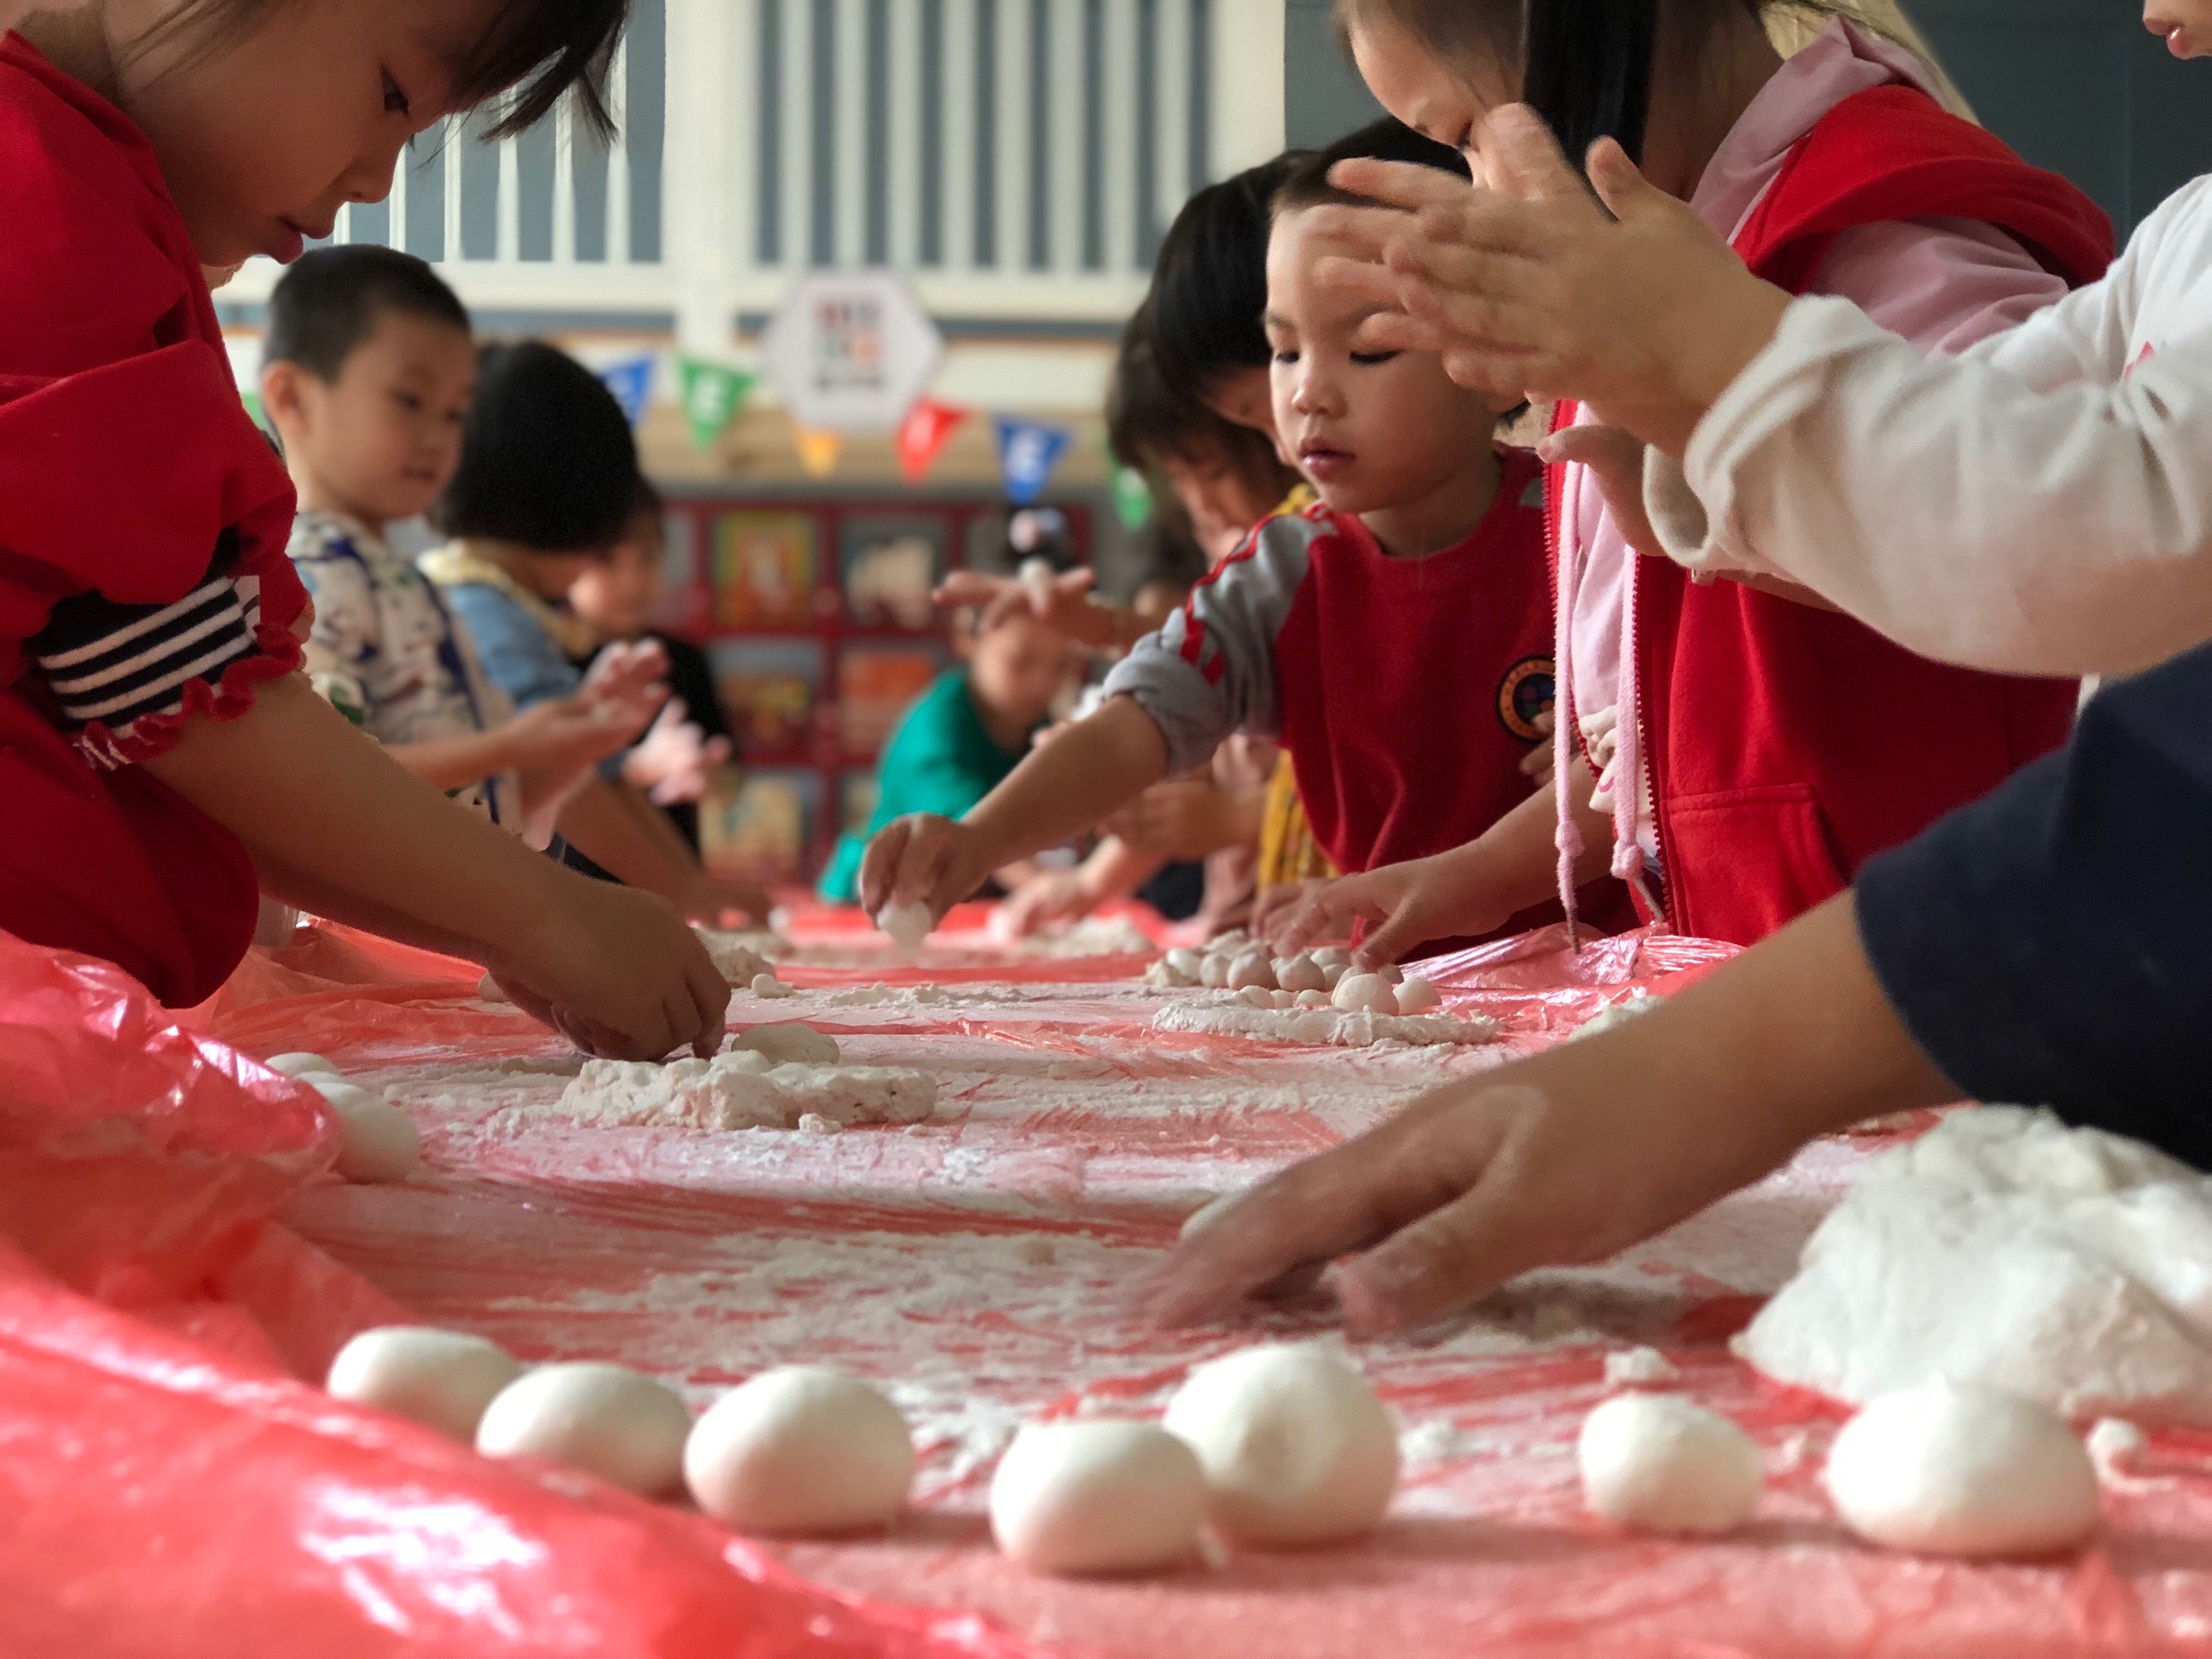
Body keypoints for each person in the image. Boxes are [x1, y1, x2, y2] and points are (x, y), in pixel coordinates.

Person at [1145, 0, 2212, 1341]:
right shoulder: (2189, 239)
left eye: (1466, 134)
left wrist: (1709, 353)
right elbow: (1991, 431)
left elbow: (2087, 542)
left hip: (1976, 1004)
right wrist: (1676, 454)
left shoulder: (1885, 230)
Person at [1273, 0, 2112, 966]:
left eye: (1464, 136)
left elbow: (2034, 547)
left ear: (1589, 33)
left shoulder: (1887, 232)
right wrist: (1470, 875)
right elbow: (1643, 745)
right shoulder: (1650, 268)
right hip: (1781, 978)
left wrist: (1690, 436)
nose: (1479, 186)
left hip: (1936, 980)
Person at [0, 2, 727, 1059]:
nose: (378, 181)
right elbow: (174, 690)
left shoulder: (92, 201)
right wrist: (543, 914)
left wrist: (514, 929)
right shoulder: (42, 202)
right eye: (393, 94)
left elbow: (171, 699)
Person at [861, 129, 1590, 949]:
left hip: (1589, 986)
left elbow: (1643, 766)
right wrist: (980, 838)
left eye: (1367, 348)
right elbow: (1134, 724)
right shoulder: (1283, 569)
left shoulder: (1582, 520)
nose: (1307, 390)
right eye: (1283, 350)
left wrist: (1522, 838)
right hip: (1391, 994)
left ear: (1493, 353)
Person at [265, 246, 657, 851]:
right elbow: (321, 785)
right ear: (293, 398)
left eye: (455, 414)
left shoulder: (412, 583)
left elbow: (489, 811)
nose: (437, 438)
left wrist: (568, 748)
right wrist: (512, 746)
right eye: (410, 401)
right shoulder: (305, 576)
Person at [420, 339, 767, 927]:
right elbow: (574, 783)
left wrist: (684, 887)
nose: (631, 577)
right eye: (610, 553)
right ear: (584, 515)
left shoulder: (490, 600)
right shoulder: (487, 613)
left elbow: (593, 770)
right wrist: (681, 896)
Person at [818, 604, 1080, 907]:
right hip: (875, 900)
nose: (1042, 683)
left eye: (1061, 666)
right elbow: (977, 830)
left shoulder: (1039, 726)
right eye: (1020, 662)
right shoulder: (936, 729)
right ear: (968, 639)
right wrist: (1058, 890)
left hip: (969, 900)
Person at [567, 479, 738, 853]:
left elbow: (731, 773)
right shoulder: (550, 657)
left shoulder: (686, 660)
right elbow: (536, 781)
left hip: (675, 880)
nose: (631, 581)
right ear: (566, 561)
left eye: (646, 558)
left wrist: (709, 775)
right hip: (574, 883)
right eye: (606, 560)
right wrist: (637, 768)